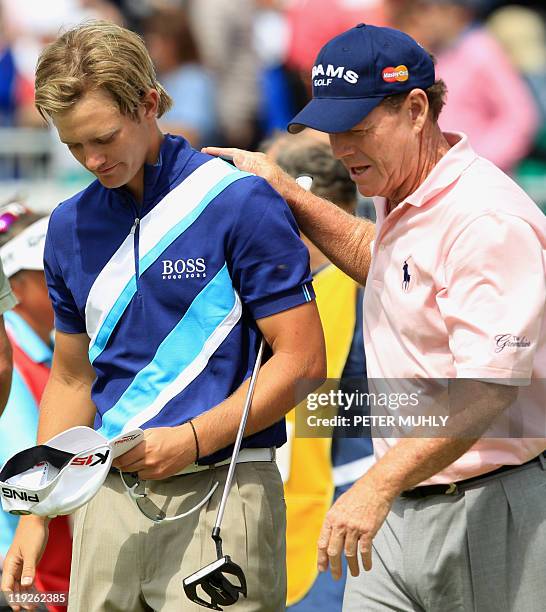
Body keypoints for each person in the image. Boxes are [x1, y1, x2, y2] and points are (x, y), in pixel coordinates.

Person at [204, 23, 546, 611]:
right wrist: (288, 192)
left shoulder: (485, 219)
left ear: (417, 109)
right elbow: (385, 263)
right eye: (333, 131)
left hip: (486, 507)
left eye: (357, 130)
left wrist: (376, 484)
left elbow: (488, 389)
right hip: (396, 508)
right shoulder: (409, 191)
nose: (340, 150)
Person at [1, 20, 325, 612]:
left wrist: (192, 439)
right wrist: (37, 513)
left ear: (150, 103)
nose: (92, 159)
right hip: (102, 502)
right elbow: (73, 380)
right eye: (74, 145)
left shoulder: (237, 200)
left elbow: (303, 363)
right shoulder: (68, 224)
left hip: (224, 492)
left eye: (103, 137)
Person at [264, 133, 373, 611]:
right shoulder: (274, 294)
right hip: (280, 520)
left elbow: (444, 407)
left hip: (355, 512)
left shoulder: (374, 293)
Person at [0, 206, 71, 612]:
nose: (68, 281)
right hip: (23, 569)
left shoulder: (42, 350)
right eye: (51, 274)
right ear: (18, 286)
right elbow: (25, 468)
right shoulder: (11, 354)